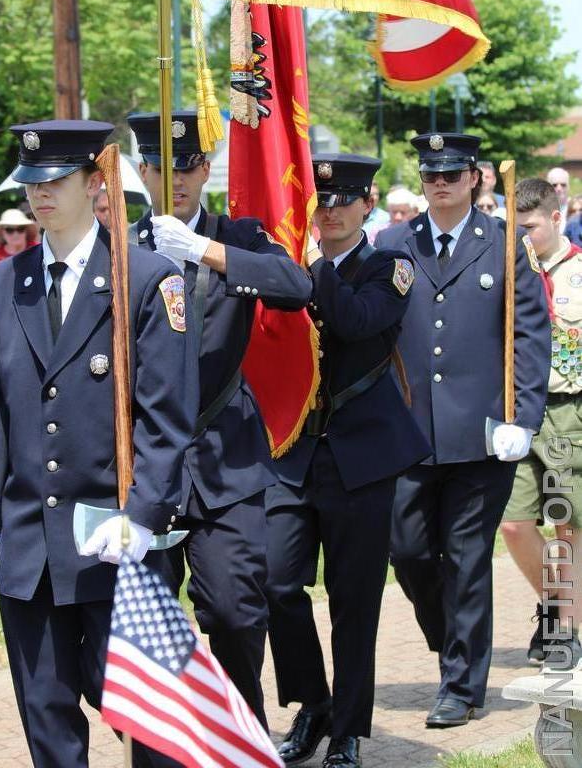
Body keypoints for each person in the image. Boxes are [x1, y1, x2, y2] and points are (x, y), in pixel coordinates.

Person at [0, 120, 198, 768]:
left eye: (57, 181)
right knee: (49, 726)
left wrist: (144, 517)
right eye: (32, 183)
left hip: (110, 542)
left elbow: (166, 420)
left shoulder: (144, 280)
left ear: (96, 183)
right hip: (29, 546)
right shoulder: (3, 284)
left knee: (147, 725)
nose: (40, 196)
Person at [127, 109, 311, 742]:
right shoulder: (120, 247)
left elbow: (295, 285)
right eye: (156, 167)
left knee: (235, 612)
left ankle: (243, 738)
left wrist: (206, 250)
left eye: (185, 166)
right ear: (140, 171)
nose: (171, 179)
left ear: (205, 169)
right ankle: (163, 746)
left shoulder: (240, 234)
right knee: (141, 628)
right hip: (144, 464)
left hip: (225, 460)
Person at [376, 133, 550, 728]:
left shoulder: (505, 247)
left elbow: (530, 338)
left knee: (470, 558)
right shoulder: (393, 242)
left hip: (481, 435)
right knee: (408, 552)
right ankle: (451, 635)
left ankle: (461, 685)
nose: (440, 182)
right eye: (430, 174)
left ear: (475, 177)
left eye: (452, 172)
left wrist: (521, 420)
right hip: (408, 435)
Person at [265, 155, 431, 768]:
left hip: (361, 452)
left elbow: (359, 321)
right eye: (320, 201)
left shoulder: (391, 265)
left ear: (367, 207)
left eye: (342, 201)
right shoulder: (290, 259)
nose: (329, 211)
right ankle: (313, 702)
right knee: (277, 581)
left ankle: (348, 730)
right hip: (293, 448)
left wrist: (308, 269)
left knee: (353, 597)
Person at [501, 179, 582, 671]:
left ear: (556, 218)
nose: (523, 239)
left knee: (567, 525)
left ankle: (565, 628)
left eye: (529, 228)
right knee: (513, 523)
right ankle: (556, 605)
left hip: (569, 410)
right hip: (519, 412)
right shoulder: (513, 273)